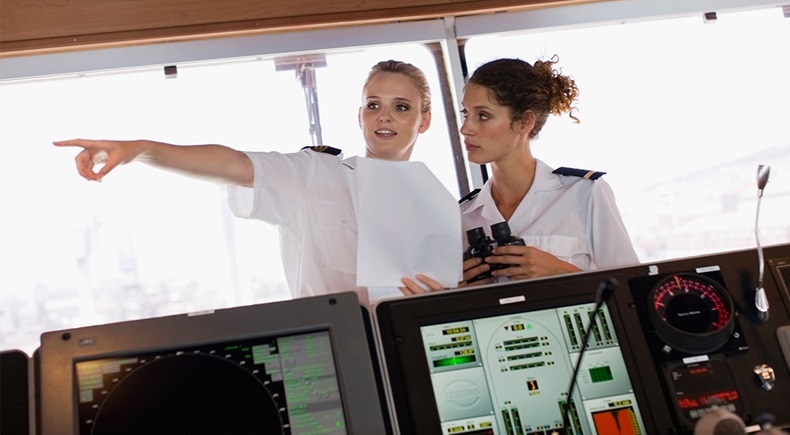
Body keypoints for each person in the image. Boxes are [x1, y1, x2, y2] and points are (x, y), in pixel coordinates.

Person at [55, 60, 432, 305]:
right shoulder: (317, 174)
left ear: (424, 120)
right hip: (338, 352)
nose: (384, 117)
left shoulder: (439, 210)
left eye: (401, 107)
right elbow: (233, 163)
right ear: (360, 116)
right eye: (373, 104)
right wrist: (140, 149)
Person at [401, 56, 638, 295]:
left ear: (524, 122)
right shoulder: (461, 218)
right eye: (465, 114)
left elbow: (632, 292)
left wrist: (559, 271)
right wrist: (454, 292)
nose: (466, 128)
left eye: (483, 115)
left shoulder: (584, 193)